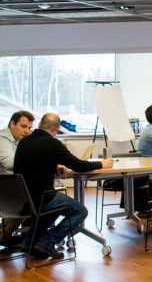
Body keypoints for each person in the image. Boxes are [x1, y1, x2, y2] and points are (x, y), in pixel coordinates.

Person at [13, 112, 113, 259]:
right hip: (42, 197)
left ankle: (30, 241)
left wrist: (54, 166)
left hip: (24, 199)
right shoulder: (52, 143)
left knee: (53, 209)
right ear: (58, 129)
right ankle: (46, 241)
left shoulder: (24, 142)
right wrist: (101, 163)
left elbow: (33, 164)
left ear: (40, 125)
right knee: (80, 211)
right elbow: (78, 165)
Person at [0, 110, 35, 244]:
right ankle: (8, 236)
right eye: (23, 126)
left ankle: (27, 238)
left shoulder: (19, 140)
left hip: (13, 186)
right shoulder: (2, 139)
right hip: (6, 190)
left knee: (37, 198)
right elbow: (10, 164)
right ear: (12, 124)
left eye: (30, 128)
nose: (27, 131)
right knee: (33, 201)